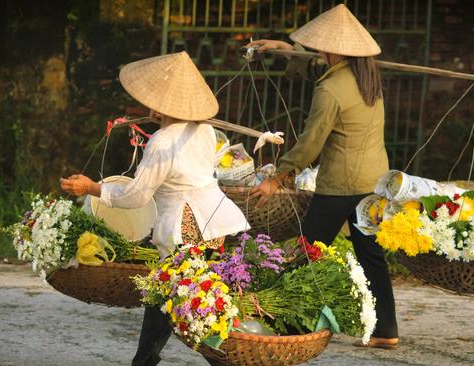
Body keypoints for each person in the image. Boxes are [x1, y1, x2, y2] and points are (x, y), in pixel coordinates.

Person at [60, 51, 250, 365]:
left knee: (192, 304)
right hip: (214, 228)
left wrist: (92, 188)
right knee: (175, 297)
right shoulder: (203, 130)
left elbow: (136, 195)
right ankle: (144, 361)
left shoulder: (162, 141)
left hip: (187, 231)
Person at [247, 4, 399, 349]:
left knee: (306, 251)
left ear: (332, 49)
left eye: (320, 46)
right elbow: (318, 64)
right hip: (373, 182)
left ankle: (280, 320)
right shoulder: (366, 77)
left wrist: (280, 176)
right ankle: (386, 330)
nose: (318, 51)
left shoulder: (330, 89)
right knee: (371, 256)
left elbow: (310, 142)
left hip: (342, 185)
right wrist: (286, 50)